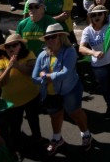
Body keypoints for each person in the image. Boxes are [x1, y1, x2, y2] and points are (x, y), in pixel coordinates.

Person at [32, 23, 93, 154]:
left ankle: (86, 134)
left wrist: (46, 76)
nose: (50, 40)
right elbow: (34, 77)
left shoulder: (69, 51)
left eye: (53, 37)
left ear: (60, 37)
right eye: (47, 38)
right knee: (55, 115)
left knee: (75, 113)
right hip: (50, 93)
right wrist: (47, 77)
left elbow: (65, 73)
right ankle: (57, 138)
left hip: (70, 90)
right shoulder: (43, 55)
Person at [0, 32, 42, 154]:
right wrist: (9, 68)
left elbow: (33, 71)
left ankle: (38, 139)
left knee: (33, 119)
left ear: (21, 46)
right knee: (15, 126)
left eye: (14, 45)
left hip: (32, 96)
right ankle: (18, 147)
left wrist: (18, 66)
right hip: (12, 103)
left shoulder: (28, 54)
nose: (11, 48)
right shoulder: (0, 61)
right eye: (8, 46)